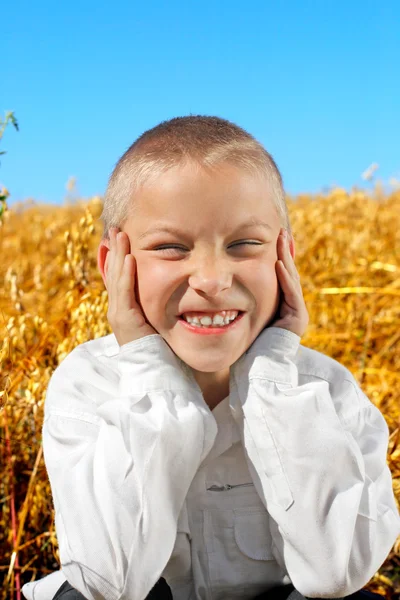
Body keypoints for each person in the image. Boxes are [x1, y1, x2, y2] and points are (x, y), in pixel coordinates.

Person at [22, 116, 400, 600]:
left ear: (284, 257)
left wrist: (273, 377)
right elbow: (109, 583)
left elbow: (338, 574)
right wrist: (148, 366)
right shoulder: (88, 386)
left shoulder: (325, 392)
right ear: (114, 265)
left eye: (244, 244)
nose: (213, 278)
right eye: (171, 248)